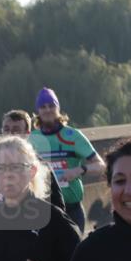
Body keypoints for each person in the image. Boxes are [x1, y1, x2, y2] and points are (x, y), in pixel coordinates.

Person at [29, 87, 106, 232]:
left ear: (58, 108)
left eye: (51, 105)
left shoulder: (73, 135)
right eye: (43, 107)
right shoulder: (32, 139)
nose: (48, 110)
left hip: (72, 210)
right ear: (38, 111)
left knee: (74, 247)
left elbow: (101, 165)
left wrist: (79, 170)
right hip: (43, 211)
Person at [0, 110, 67, 214]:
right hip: (0, 222)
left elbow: (59, 206)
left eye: (16, 130)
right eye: (6, 129)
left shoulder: (41, 166)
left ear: (27, 134)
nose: (10, 134)